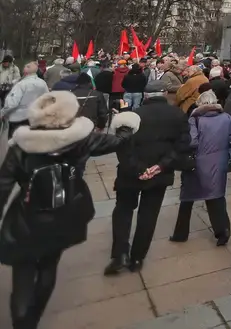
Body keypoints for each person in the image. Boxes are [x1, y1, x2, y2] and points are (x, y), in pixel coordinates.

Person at [0, 92, 136, 328]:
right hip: (64, 215)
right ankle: (32, 318)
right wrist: (125, 119)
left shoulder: (21, 146)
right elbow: (119, 141)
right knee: (49, 266)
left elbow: (3, 185)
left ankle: (22, 322)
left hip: (27, 217)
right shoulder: (82, 140)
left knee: (23, 271)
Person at [106, 84, 188, 276]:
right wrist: (160, 166)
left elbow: (123, 148)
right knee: (149, 215)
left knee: (123, 211)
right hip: (160, 173)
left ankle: (120, 255)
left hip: (130, 173)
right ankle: (137, 258)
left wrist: (138, 169)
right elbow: (182, 145)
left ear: (145, 95)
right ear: (164, 94)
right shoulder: (177, 115)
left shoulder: (132, 115)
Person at [171, 92, 231, 245]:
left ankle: (180, 233)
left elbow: (192, 142)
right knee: (217, 196)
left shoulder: (195, 119)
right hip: (219, 162)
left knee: (187, 199)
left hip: (198, 163)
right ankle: (223, 230)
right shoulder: (226, 117)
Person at [1, 62, 50, 138]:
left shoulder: (21, 84)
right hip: (34, 118)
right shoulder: (42, 83)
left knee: (15, 141)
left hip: (18, 118)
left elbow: (12, 103)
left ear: (25, 71)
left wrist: (3, 113)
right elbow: (47, 99)